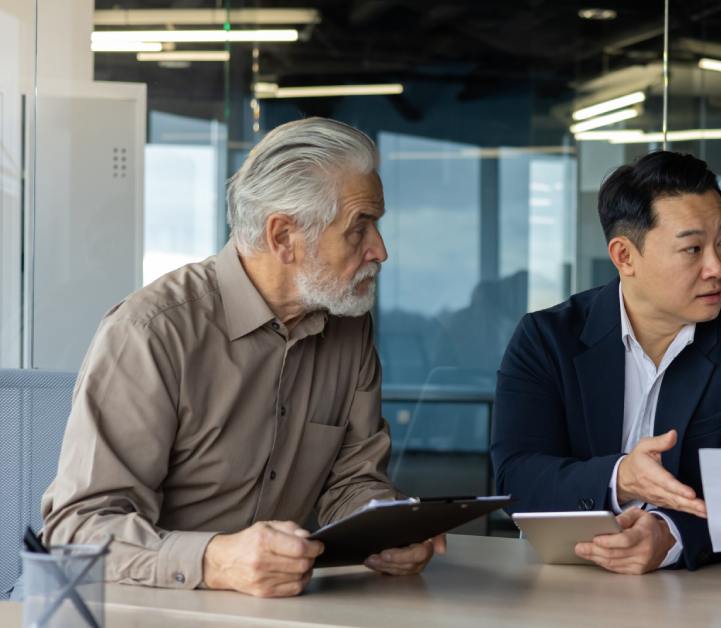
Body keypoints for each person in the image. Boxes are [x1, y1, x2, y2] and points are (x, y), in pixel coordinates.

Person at [40, 117, 445, 598]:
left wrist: (386, 529)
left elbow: (353, 481)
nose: (380, 250)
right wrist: (214, 561)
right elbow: (75, 531)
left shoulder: (349, 327)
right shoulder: (152, 332)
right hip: (153, 607)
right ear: (282, 237)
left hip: (280, 608)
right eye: (360, 229)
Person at [491, 151, 721, 574]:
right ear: (624, 257)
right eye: (692, 248)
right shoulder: (546, 340)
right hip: (560, 581)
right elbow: (516, 480)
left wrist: (669, 533)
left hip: (699, 599)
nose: (718, 267)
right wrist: (620, 478)